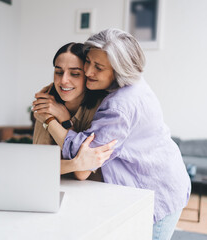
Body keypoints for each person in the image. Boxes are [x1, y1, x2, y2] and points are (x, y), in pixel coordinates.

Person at [34, 29, 191, 240]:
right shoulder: (117, 88)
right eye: (88, 62)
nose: (89, 71)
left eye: (98, 67)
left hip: (155, 188)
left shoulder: (119, 105)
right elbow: (38, 167)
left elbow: (85, 161)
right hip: (138, 181)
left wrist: (53, 120)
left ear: (119, 71)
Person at [32, 42, 115, 178]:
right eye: (58, 72)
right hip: (58, 187)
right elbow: (40, 166)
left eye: (75, 74)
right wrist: (75, 164)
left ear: (88, 76)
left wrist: (62, 121)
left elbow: (82, 174)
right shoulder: (47, 104)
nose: (64, 80)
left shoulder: (102, 108)